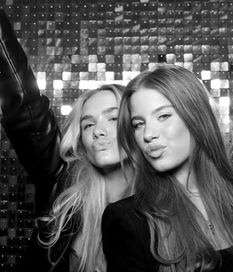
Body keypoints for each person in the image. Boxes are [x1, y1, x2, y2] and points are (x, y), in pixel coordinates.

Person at [0, 10, 133, 272]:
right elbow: (25, 106)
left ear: (137, 126)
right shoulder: (62, 181)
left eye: (113, 119)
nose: (99, 131)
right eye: (88, 124)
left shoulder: (165, 202)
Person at [102, 64, 233, 272]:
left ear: (196, 117)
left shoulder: (232, 195)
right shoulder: (128, 221)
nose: (148, 134)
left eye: (163, 116)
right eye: (138, 124)